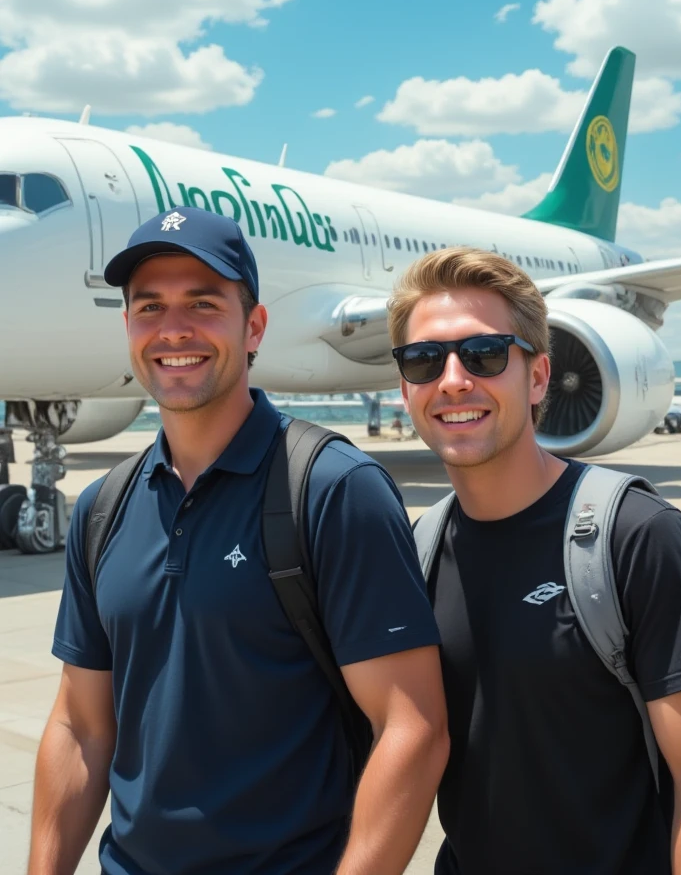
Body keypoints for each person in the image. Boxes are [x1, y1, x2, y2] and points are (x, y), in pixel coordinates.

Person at [28, 207, 449, 875]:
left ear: (253, 328)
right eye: (149, 307)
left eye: (203, 303)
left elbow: (414, 729)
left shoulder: (333, 490)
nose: (174, 330)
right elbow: (81, 727)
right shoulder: (104, 509)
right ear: (128, 327)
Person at [387, 246, 681, 875]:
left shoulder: (636, 538)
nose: (452, 380)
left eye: (485, 354)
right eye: (423, 360)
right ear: (405, 388)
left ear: (540, 377)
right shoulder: (417, 551)